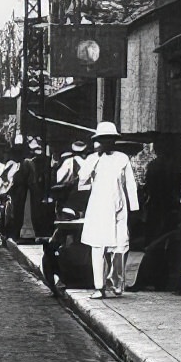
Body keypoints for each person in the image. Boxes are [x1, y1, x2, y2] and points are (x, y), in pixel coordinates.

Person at [78, 122, 140, 299]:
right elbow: (82, 181)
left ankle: (117, 282)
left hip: (119, 205)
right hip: (98, 206)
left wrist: (134, 207)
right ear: (98, 140)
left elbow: (130, 183)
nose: (107, 143)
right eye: (103, 139)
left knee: (120, 245)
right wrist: (93, 161)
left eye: (110, 139)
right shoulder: (92, 159)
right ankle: (99, 286)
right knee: (98, 246)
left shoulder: (122, 158)